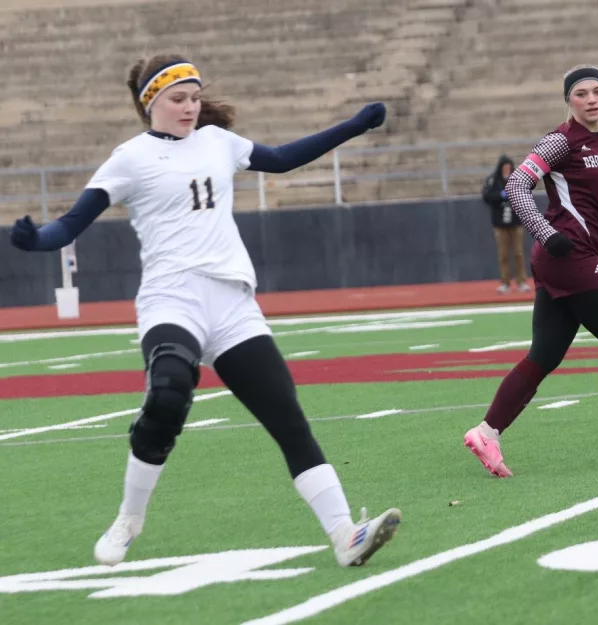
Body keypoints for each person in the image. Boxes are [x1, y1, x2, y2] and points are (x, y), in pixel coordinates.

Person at [8, 54, 401, 568]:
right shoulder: (130, 157)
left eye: (195, 97)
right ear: (151, 103)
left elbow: (283, 158)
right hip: (172, 298)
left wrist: (353, 126)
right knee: (170, 393)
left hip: (233, 302)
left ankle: (345, 535)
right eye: (178, 99)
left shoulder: (218, 142)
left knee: (287, 418)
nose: (190, 107)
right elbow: (71, 223)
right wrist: (37, 239)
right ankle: (129, 519)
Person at [463, 65, 598, 478]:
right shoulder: (560, 140)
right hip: (568, 256)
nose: (591, 99)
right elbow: (516, 186)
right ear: (568, 100)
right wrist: (546, 232)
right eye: (581, 93)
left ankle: (486, 432)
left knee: (545, 354)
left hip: (572, 256)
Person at [482, 154, 531, 293]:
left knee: (518, 253)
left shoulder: (518, 179)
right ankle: (505, 283)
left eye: (509, 167)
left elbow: (526, 194)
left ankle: (522, 282)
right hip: (500, 223)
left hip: (516, 222)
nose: (507, 170)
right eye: (504, 167)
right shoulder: (493, 180)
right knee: (503, 255)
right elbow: (486, 196)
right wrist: (500, 196)